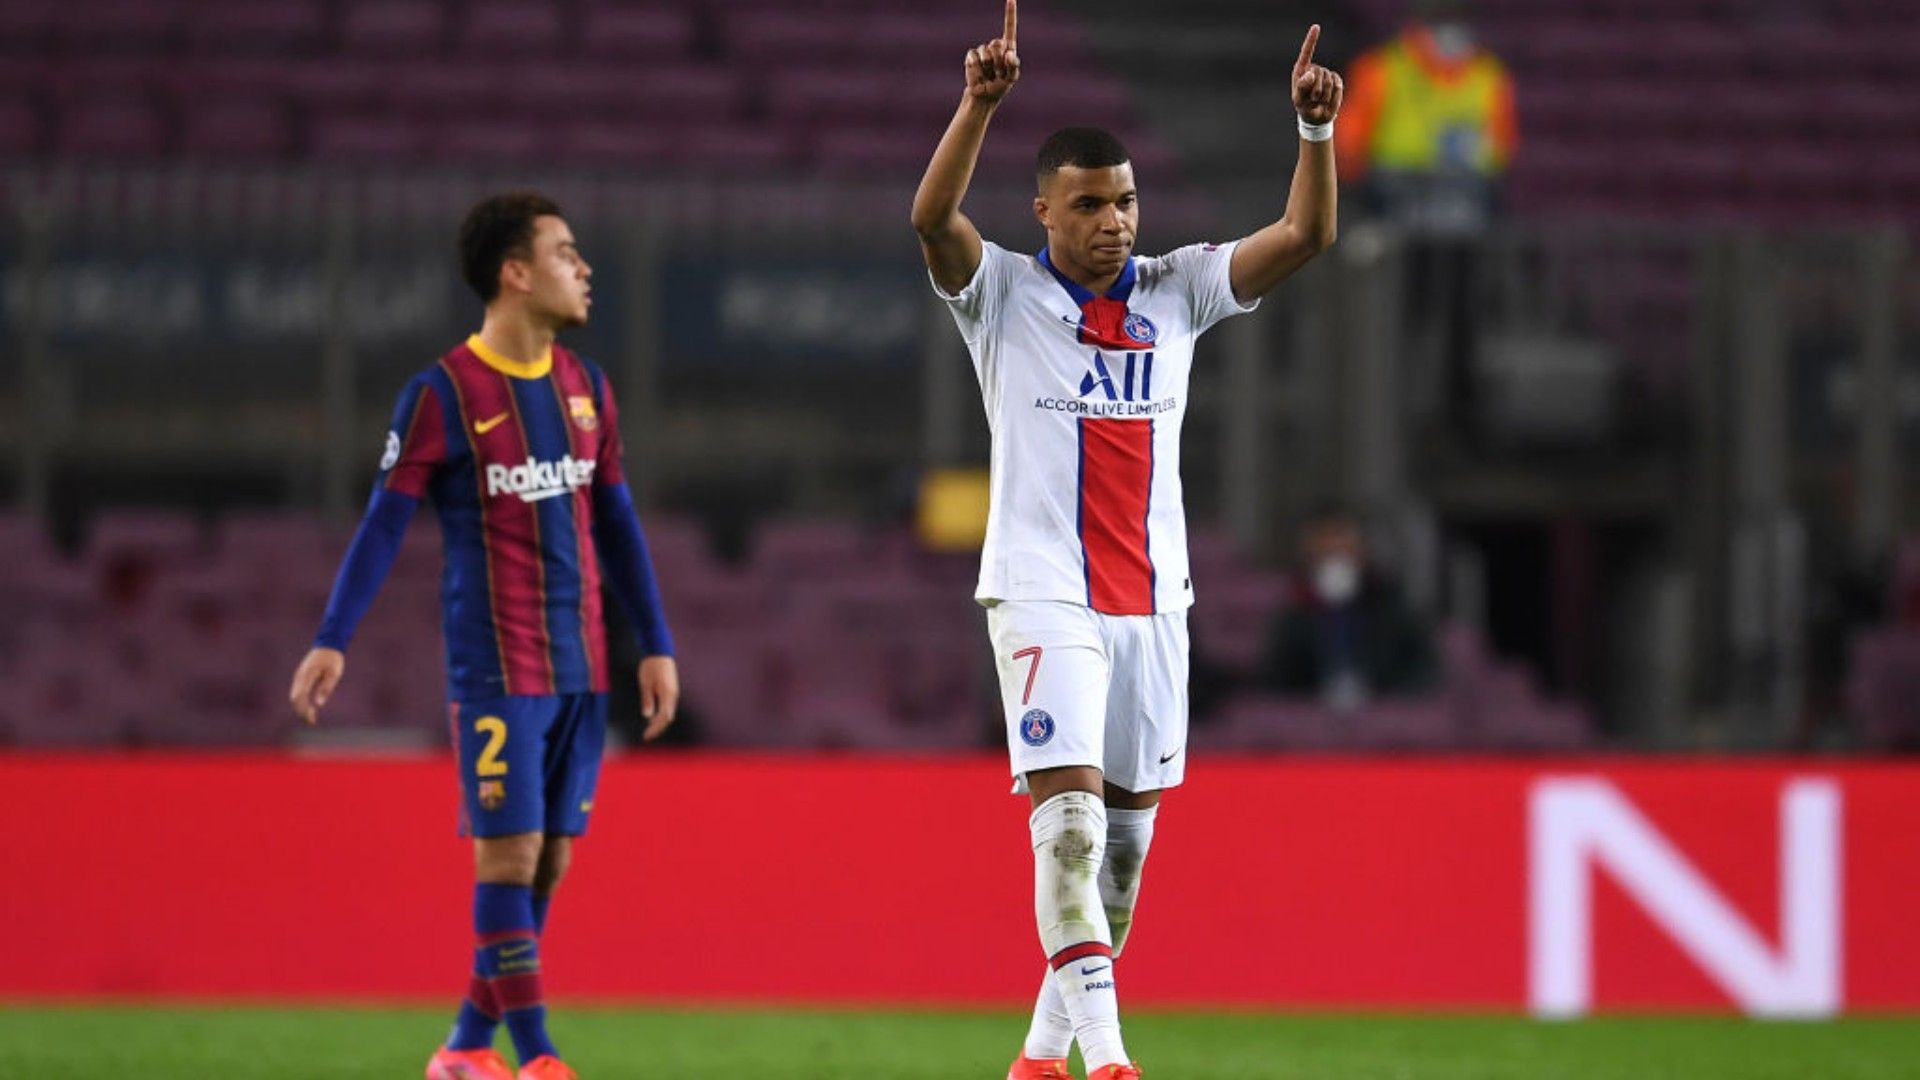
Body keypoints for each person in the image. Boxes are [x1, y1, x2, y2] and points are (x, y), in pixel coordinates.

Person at [909, 5, 1341, 1077]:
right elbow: (931, 219)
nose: (1115, 222)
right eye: (1091, 204)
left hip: (1155, 603)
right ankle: (1109, 1061)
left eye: (1127, 200)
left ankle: (1039, 1059)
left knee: (1123, 864)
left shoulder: (1177, 288)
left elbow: (1306, 237)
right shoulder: (1002, 294)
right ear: (1045, 211)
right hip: (1042, 590)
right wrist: (978, 105)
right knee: (1067, 828)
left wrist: (1315, 132)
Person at [287, 191, 680, 1080]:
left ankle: (466, 1047)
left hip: (582, 664)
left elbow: (618, 524)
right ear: (516, 273)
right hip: (496, 666)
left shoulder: (588, 390)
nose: (584, 268)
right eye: (565, 252)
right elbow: (383, 525)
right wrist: (332, 636)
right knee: (510, 855)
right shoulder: (440, 395)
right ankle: (538, 1058)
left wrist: (655, 641)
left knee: (551, 862)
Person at [1261, 506, 1438, 708]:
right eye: (1325, 551)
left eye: (1343, 547)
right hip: (1313, 717)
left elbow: (1423, 670)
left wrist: (1386, 699)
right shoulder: (1293, 615)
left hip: (1384, 713)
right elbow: (1276, 681)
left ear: (1362, 551)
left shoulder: (1393, 607)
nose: (1335, 557)